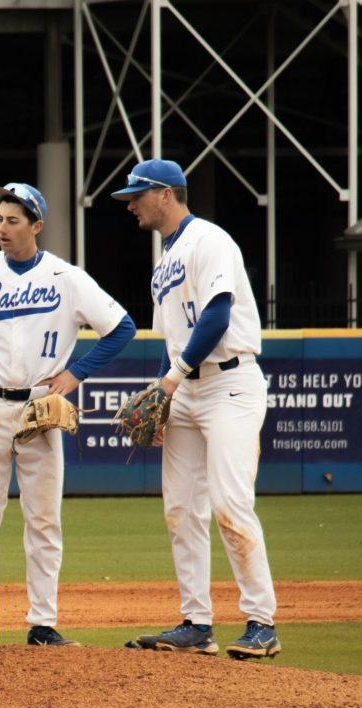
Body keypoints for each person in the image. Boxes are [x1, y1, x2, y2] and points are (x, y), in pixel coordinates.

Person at [0, 182, 136, 648]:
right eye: (0, 219)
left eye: (13, 220)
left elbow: (121, 327)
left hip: (41, 408)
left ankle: (42, 623)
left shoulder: (66, 278)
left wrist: (77, 374)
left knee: (43, 520)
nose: (2, 228)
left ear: (36, 226)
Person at [110, 158, 280, 659]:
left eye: (136, 196)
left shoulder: (209, 239)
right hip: (185, 389)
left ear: (165, 194)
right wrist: (168, 395)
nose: (131, 205)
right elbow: (177, 339)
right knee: (181, 509)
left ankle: (261, 623)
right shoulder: (165, 260)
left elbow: (218, 315)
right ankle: (195, 622)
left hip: (229, 384)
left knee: (229, 503)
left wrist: (170, 380)